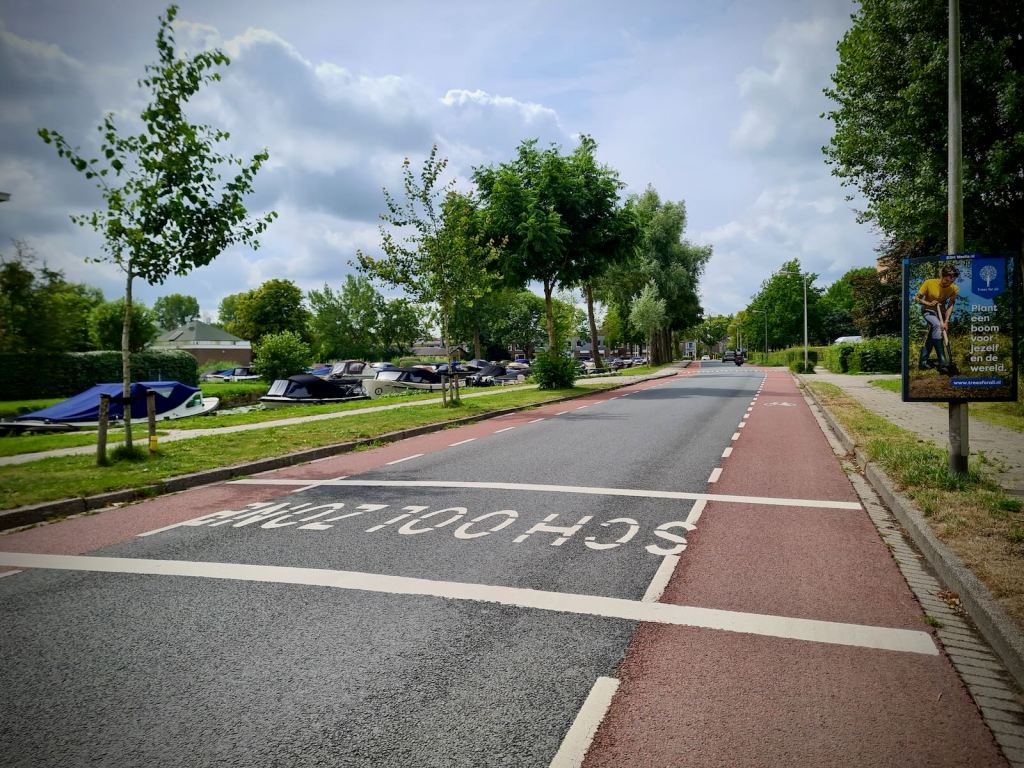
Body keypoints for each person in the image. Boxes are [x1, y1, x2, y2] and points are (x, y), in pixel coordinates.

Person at [914, 264, 960, 373]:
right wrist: (928, 303)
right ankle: (943, 361)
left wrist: (946, 321)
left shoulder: (954, 289)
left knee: (933, 335)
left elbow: (950, 305)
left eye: (951, 282)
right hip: (928, 311)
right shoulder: (929, 283)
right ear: (941, 276)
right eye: (946, 281)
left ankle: (923, 363)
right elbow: (917, 298)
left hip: (941, 314)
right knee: (937, 326)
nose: (948, 284)